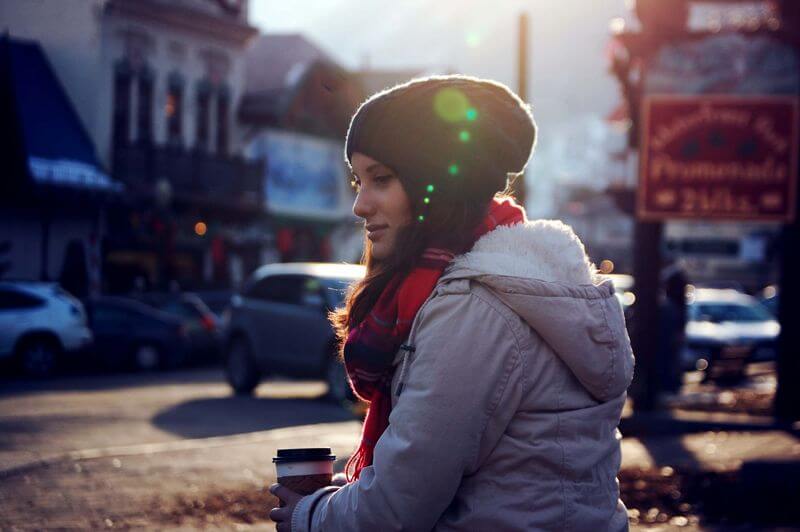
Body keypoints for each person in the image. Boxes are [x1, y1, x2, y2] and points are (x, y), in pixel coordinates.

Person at [269, 75, 634, 531]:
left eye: (381, 179)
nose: (360, 204)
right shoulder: (501, 283)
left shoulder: (475, 307)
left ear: (434, 185)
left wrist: (309, 515)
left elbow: (399, 506)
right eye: (357, 180)